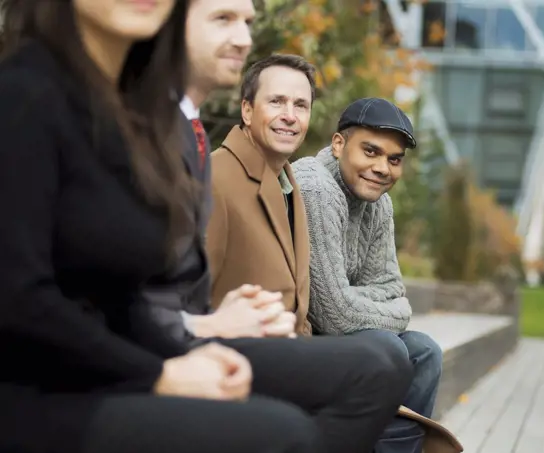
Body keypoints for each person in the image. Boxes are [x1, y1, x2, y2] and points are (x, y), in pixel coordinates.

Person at [0, 1, 409, 453]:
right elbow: (18, 300)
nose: (243, 38)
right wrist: (167, 366)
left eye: (248, 23)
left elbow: (121, 297)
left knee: (378, 368)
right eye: (222, 19)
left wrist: (182, 348)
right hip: (42, 392)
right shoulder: (26, 96)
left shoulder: (117, 111)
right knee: (285, 432)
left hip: (130, 350)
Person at [293, 97, 444, 453]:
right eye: (371, 152)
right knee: (388, 346)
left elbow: (391, 288)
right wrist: (368, 301)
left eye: (394, 160)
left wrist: (354, 296)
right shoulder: (316, 187)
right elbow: (333, 314)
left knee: (425, 352)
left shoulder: (379, 202)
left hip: (341, 333)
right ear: (338, 144)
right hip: (298, 338)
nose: (383, 168)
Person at [205, 53, 315, 334]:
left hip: (289, 354)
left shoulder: (288, 182)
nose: (290, 116)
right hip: (236, 356)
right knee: (381, 356)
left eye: (300, 105)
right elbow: (189, 299)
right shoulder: (213, 177)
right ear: (247, 110)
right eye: (276, 101)